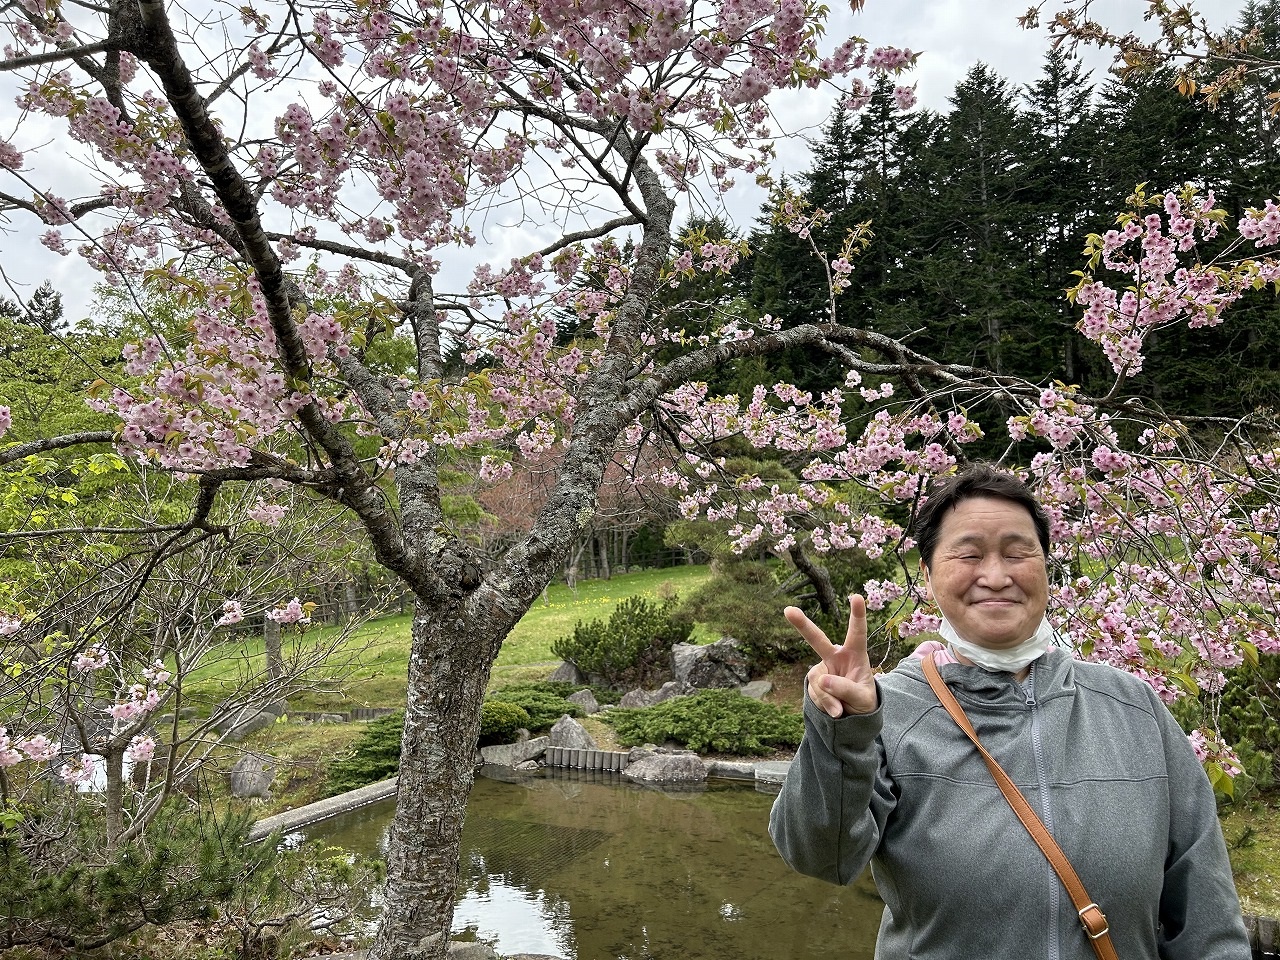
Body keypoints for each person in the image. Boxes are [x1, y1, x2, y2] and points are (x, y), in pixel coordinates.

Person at [769, 463, 1251, 960]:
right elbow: (821, 857)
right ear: (930, 574)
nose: (996, 576)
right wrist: (844, 730)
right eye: (969, 554)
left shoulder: (1132, 706)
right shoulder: (892, 713)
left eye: (1019, 553)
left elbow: (1206, 913)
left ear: (1046, 569)